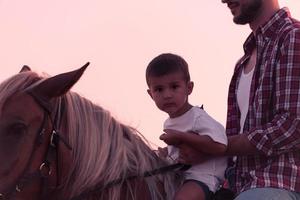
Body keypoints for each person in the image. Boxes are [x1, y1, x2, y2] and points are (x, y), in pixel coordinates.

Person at [219, 0, 300, 199]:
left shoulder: (293, 37)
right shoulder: (243, 62)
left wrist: (215, 146)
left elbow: (293, 126)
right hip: (242, 186)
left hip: (283, 182)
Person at [146, 53, 228, 200]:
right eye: (159, 89)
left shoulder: (197, 117)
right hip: (182, 177)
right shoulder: (169, 123)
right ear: (150, 95)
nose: (167, 95)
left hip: (203, 178)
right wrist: (166, 156)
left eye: (174, 87)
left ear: (189, 88)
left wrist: (181, 137)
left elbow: (220, 145)